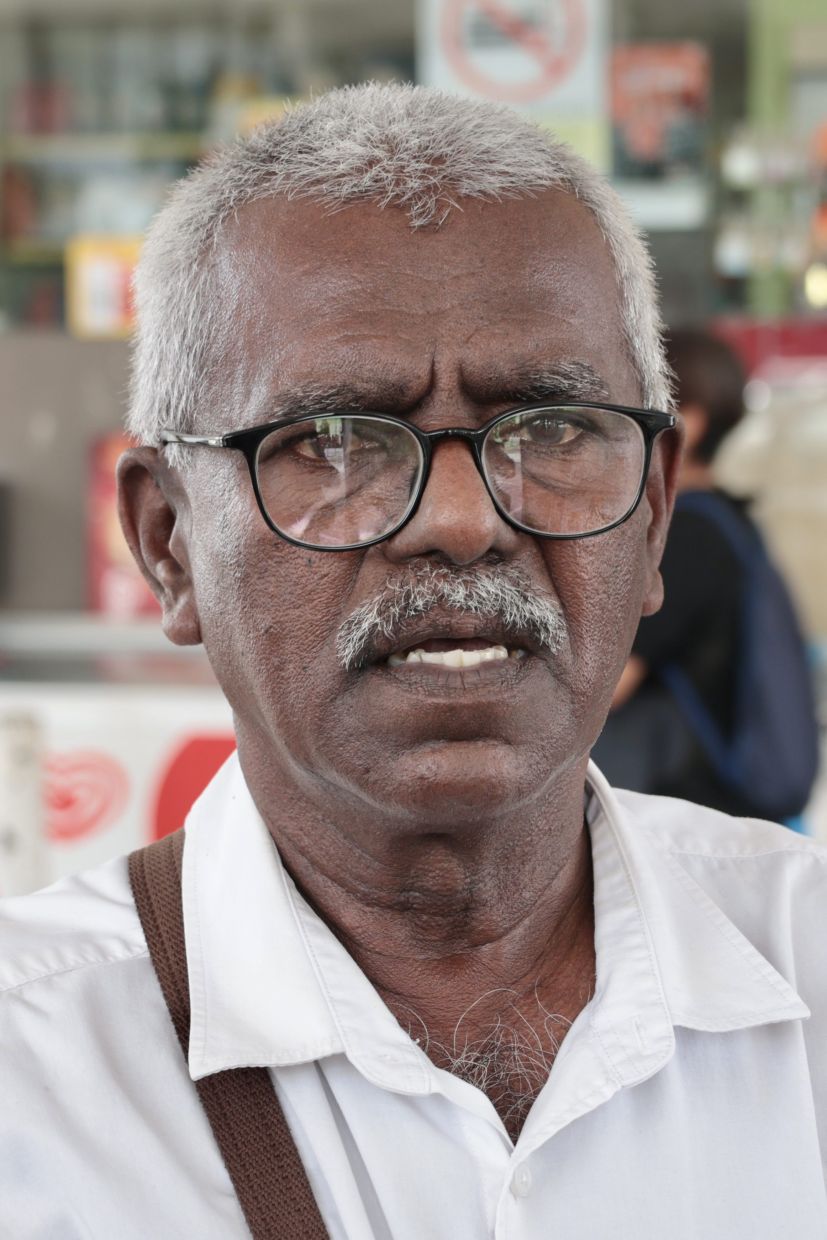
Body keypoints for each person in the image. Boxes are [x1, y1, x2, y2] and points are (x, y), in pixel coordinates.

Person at [1, 85, 825, 1239]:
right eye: (331, 443)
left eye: (548, 428)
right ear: (169, 543)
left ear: (651, 521)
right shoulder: (30, 1089)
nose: (458, 521)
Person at [593, 328, 818, 818]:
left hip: (699, 798)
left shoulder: (688, 537)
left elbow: (608, 688)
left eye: (635, 407)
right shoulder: (726, 520)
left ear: (685, 424)